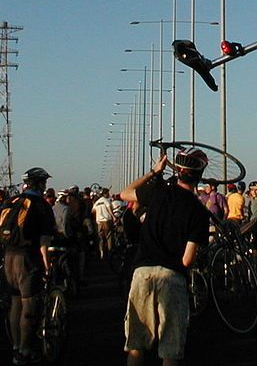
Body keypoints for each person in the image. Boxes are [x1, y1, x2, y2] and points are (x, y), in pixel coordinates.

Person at [120, 148, 210, 365]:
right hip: (172, 277)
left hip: (142, 272)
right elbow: (187, 260)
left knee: (135, 345)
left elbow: (125, 193)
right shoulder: (199, 212)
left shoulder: (158, 191)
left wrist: (154, 172)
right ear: (199, 175)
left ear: (178, 171)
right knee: (170, 349)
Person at [3, 167, 56, 366]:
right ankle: (25, 350)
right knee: (29, 304)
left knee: (15, 303)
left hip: (8, 256)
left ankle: (16, 347)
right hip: (27, 258)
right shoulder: (41, 205)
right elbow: (44, 241)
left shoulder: (12, 201)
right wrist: (47, 264)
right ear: (40, 184)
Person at [92, 188, 116, 260]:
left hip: (99, 222)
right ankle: (110, 253)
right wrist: (113, 217)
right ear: (105, 194)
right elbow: (109, 209)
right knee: (108, 237)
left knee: (101, 239)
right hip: (106, 221)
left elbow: (93, 211)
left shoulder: (97, 202)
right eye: (108, 193)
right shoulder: (106, 201)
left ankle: (101, 252)